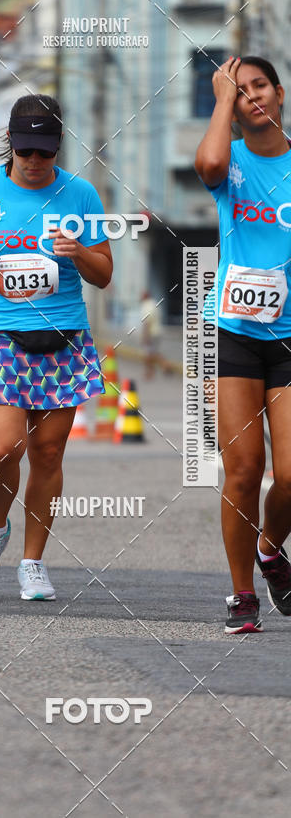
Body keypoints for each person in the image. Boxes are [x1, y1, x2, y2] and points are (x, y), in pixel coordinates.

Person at [0, 94, 112, 600]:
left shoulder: (81, 195)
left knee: (47, 451)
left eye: (46, 152)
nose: (36, 163)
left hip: (63, 335)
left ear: (58, 147)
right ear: (10, 145)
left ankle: (33, 563)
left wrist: (78, 251)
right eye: (26, 152)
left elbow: (103, 274)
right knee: (2, 448)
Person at [195, 55, 291, 634]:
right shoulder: (229, 163)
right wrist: (221, 99)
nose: (251, 95)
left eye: (259, 86)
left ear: (279, 94)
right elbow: (206, 160)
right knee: (243, 469)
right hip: (233, 331)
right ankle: (241, 594)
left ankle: (270, 547)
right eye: (241, 89)